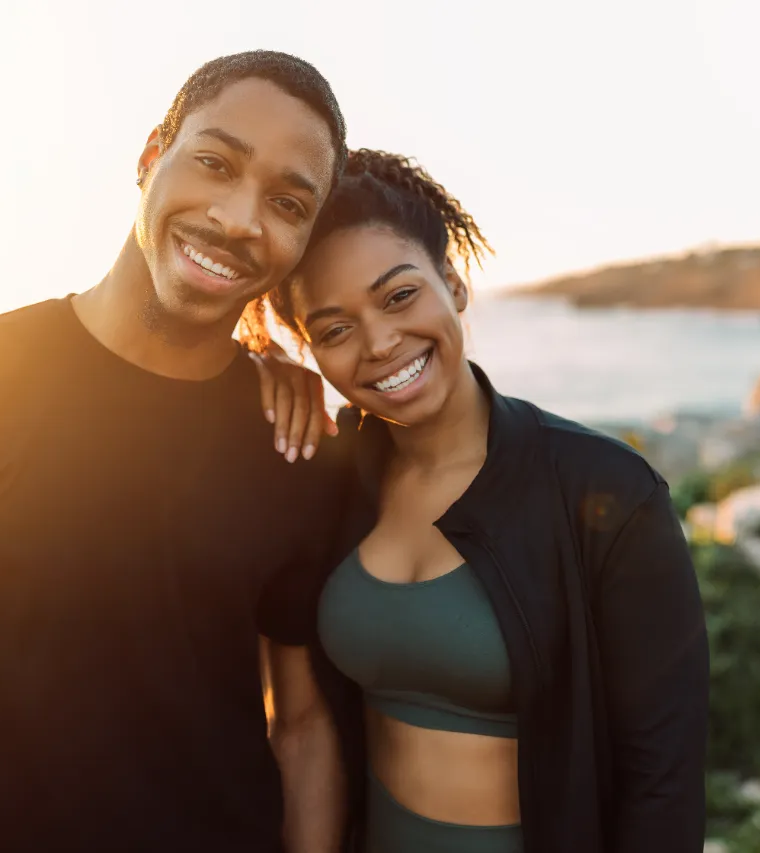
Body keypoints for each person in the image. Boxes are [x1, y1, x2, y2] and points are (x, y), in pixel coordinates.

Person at [0, 51, 352, 853]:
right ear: (152, 155)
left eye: (287, 202)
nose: (240, 218)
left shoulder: (295, 442)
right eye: (216, 162)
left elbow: (305, 724)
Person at [257, 149, 710, 853]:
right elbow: (300, 722)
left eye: (399, 295)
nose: (379, 342)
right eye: (335, 329)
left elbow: (664, 778)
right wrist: (254, 370)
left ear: (455, 284)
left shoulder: (608, 490)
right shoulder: (327, 479)